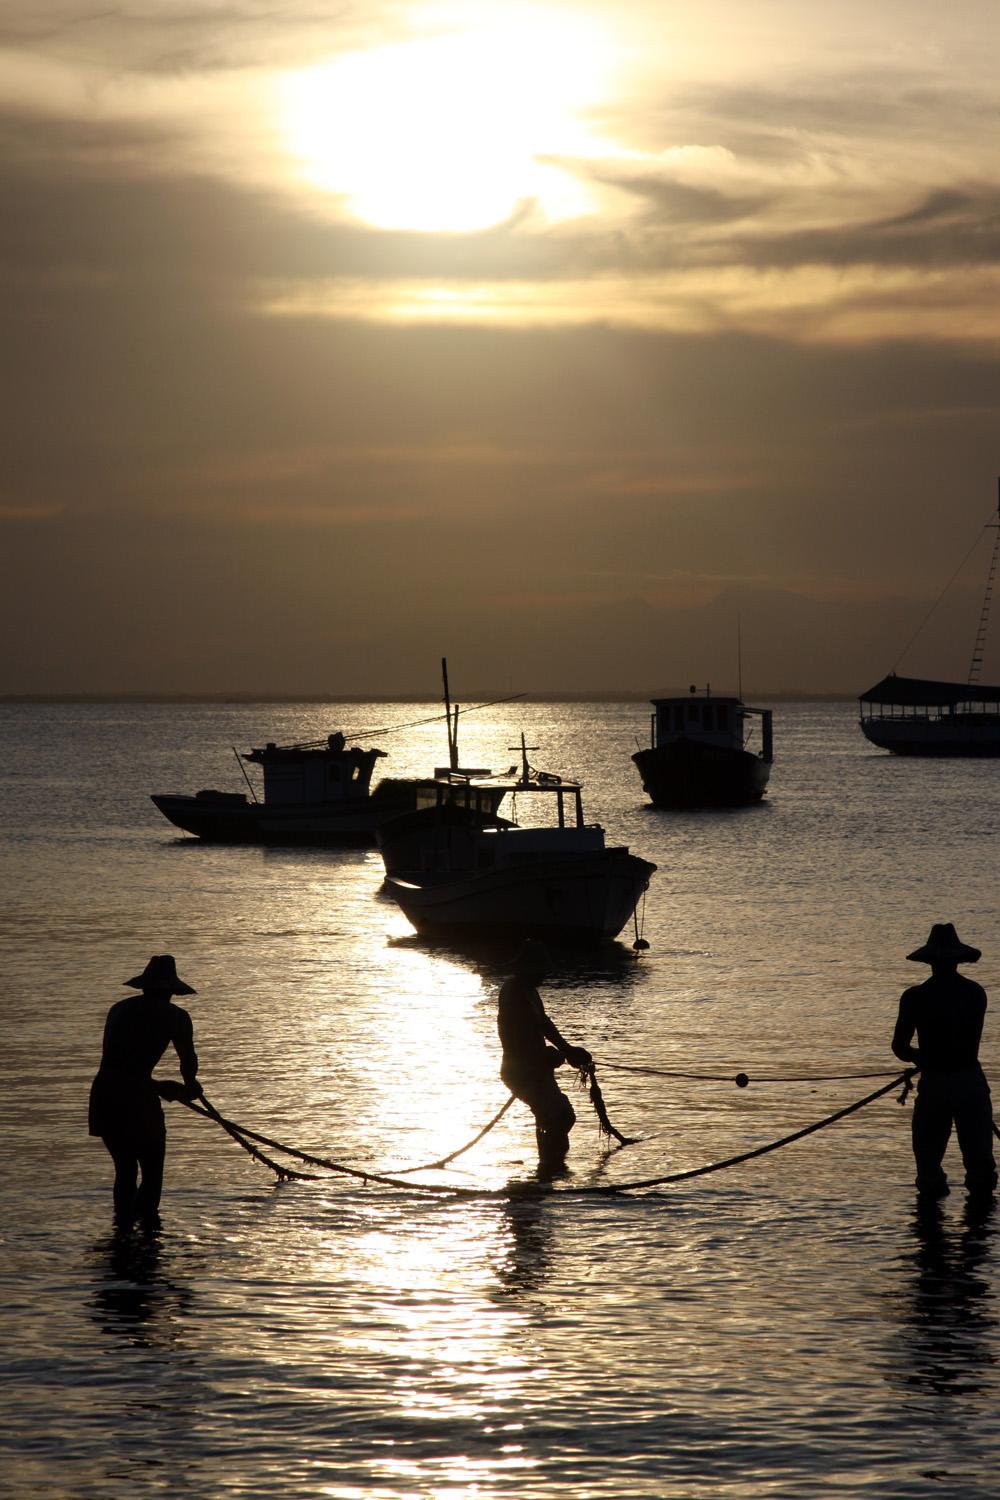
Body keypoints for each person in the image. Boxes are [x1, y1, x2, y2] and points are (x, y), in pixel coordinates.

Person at [89, 955, 203, 1225]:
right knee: (152, 1173)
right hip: (137, 1099)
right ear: (172, 990)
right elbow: (188, 1063)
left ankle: (123, 1232)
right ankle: (149, 1238)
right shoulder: (176, 1016)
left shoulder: (119, 1008)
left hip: (105, 1094)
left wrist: (159, 1086)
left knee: (125, 1170)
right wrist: (189, 1087)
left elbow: (120, 1065)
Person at [891, 923, 997, 1202]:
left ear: (930, 962)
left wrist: (921, 1057)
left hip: (936, 1082)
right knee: (980, 1166)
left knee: (928, 1166)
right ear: (957, 960)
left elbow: (900, 1048)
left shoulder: (915, 997)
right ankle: (980, 1232)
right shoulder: (975, 994)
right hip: (970, 1081)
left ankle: (930, 1231)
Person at [497, 939, 592, 1172]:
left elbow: (544, 1025)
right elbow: (516, 1037)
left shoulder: (529, 991)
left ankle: (551, 1166)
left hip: (537, 1068)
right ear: (529, 968)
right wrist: (545, 1057)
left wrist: (568, 1050)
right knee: (554, 1117)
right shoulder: (514, 994)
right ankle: (548, 1168)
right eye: (542, 969)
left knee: (561, 1116)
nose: (545, 975)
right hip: (522, 1071)